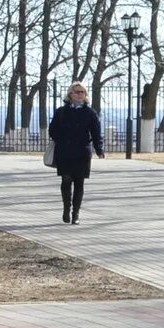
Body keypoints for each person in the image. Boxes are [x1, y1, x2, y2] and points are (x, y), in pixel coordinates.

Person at [47, 82, 106, 224]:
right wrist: (61, 140)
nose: (79, 94)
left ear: (85, 95)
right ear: (70, 94)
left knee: (79, 183)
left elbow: (96, 133)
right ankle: (66, 209)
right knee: (66, 180)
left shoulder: (90, 113)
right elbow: (52, 130)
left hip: (82, 152)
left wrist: (99, 149)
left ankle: (76, 214)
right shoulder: (61, 111)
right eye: (76, 91)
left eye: (82, 92)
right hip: (65, 151)